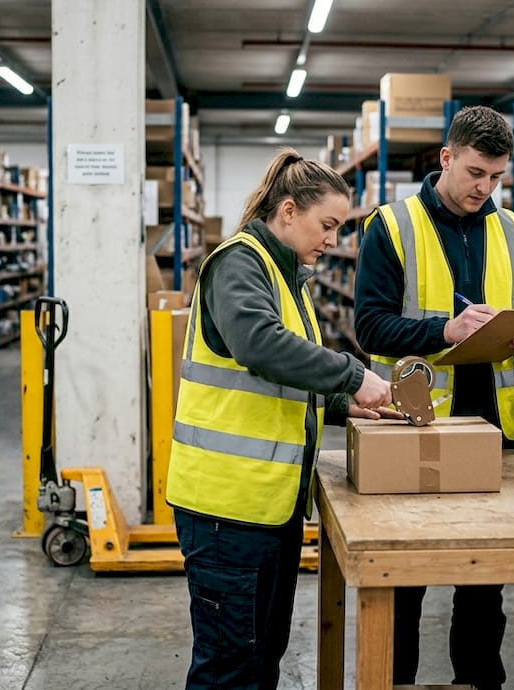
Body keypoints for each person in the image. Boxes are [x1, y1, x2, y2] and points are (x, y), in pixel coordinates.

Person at [166, 147, 401, 690]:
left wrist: (350, 404)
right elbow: (259, 346)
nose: (332, 241)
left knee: (261, 657)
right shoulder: (239, 262)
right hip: (226, 511)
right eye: (327, 225)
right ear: (289, 211)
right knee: (229, 670)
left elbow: (281, 386)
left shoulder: (286, 275)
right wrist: (353, 375)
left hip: (268, 507)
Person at [353, 105, 514, 690]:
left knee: (484, 594)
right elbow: (370, 327)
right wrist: (445, 329)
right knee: (404, 589)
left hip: (490, 438)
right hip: (412, 431)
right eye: (473, 173)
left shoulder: (510, 229)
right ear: (446, 158)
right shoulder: (390, 225)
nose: (484, 189)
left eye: (495, 177)